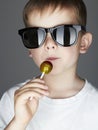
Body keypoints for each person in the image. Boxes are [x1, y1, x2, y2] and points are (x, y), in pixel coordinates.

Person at [0, 0, 98, 130]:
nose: (49, 44)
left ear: (83, 43)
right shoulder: (12, 100)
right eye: (36, 35)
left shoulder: (95, 105)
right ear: (30, 48)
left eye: (64, 33)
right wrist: (19, 122)